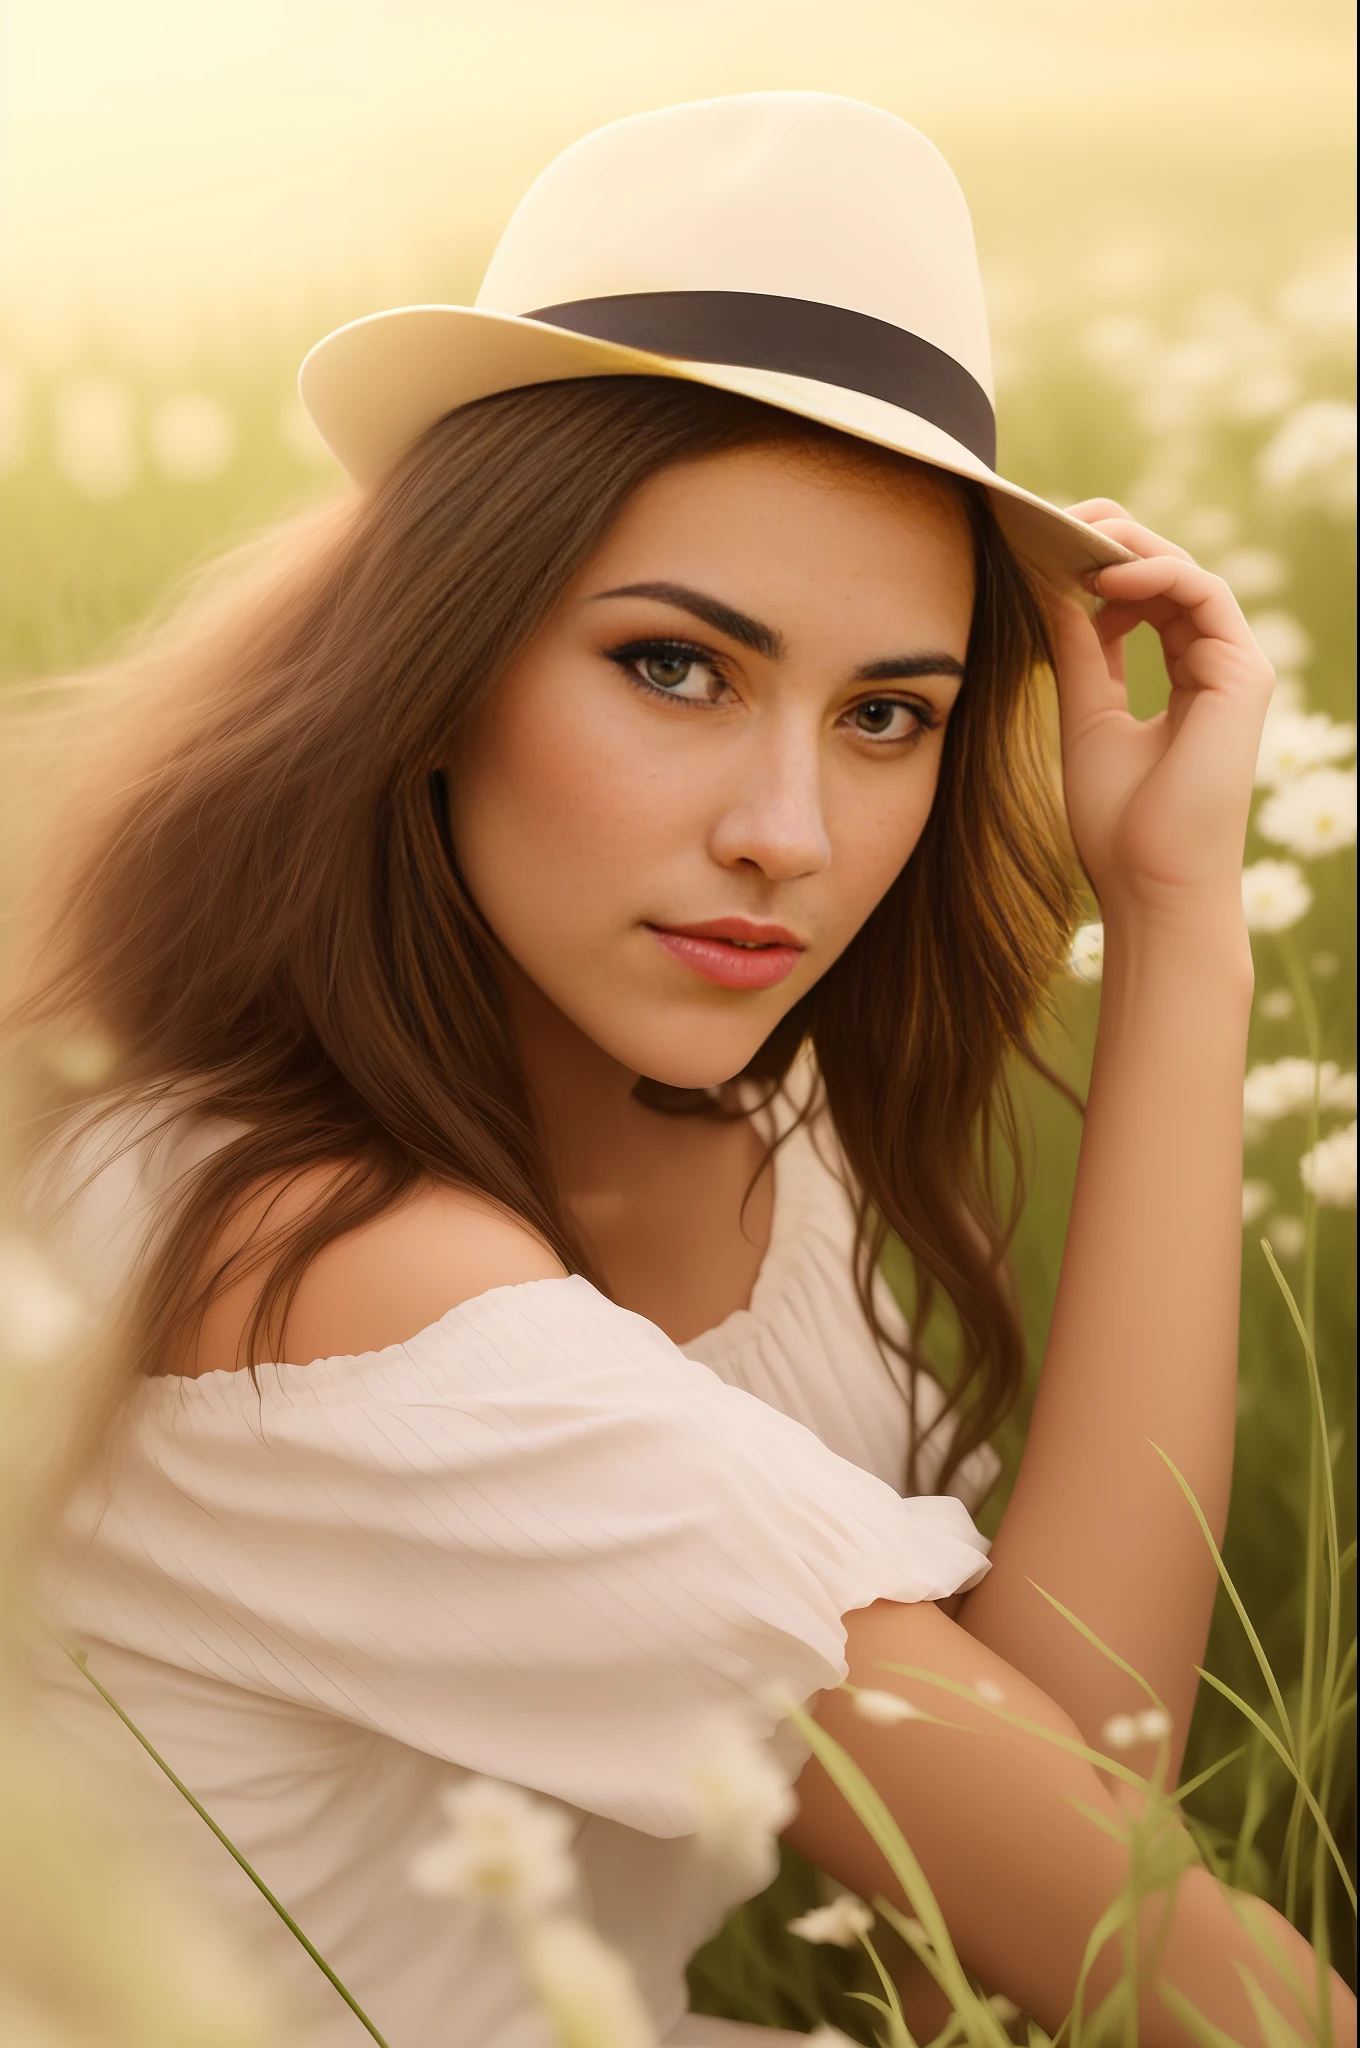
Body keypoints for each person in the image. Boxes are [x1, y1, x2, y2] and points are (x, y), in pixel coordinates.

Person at [11, 92, 1353, 2048]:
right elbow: (1168, 1962)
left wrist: (1169, 916)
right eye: (674, 666)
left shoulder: (740, 1138)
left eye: (885, 711)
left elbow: (1049, 1823)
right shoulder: (348, 1298)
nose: (787, 831)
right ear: (432, 663)